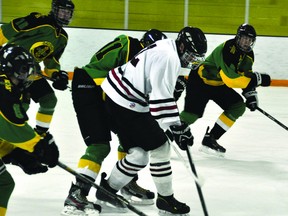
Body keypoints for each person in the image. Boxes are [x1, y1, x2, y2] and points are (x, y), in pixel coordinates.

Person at [96, 26, 207, 215]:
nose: (190, 62)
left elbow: (158, 98)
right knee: (161, 148)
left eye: (195, 59)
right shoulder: (169, 58)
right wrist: (177, 127)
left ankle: (107, 190)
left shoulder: (167, 45)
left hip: (117, 98)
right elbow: (160, 98)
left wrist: (176, 127)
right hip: (126, 102)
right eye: (190, 56)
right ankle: (166, 199)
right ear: (181, 47)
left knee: (139, 155)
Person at [61, 29, 168, 216]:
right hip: (90, 87)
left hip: (113, 96)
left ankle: (125, 183)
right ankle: (77, 193)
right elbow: (99, 65)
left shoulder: (150, 62)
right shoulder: (129, 45)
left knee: (131, 141)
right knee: (99, 145)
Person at [178, 23, 271, 156]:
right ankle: (168, 135)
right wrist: (258, 79)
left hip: (218, 84)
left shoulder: (249, 55)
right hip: (200, 81)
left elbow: (245, 76)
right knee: (192, 115)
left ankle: (210, 139)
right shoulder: (227, 48)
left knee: (237, 106)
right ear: (238, 37)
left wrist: (250, 94)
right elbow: (230, 79)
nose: (246, 42)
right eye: (244, 38)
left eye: (250, 40)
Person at [0, 44, 59, 216]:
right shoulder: (4, 89)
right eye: (23, 71)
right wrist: (38, 146)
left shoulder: (9, 86)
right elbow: (11, 125)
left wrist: (14, 154)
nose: (26, 76)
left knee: (4, 183)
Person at [0, 0, 74, 136]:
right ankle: (7, 138)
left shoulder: (63, 37)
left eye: (68, 13)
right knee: (20, 105)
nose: (65, 15)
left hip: (30, 72)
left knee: (49, 100)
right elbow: (7, 30)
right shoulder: (39, 21)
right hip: (10, 68)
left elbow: (51, 60)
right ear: (54, 10)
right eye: (62, 11)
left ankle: (40, 136)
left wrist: (56, 75)